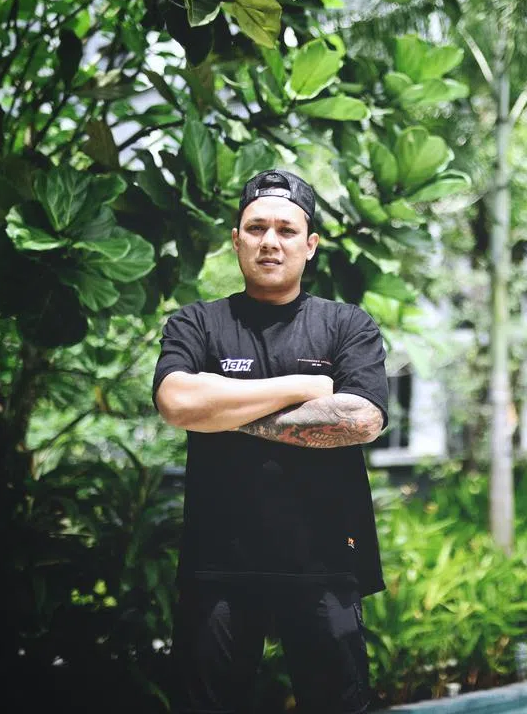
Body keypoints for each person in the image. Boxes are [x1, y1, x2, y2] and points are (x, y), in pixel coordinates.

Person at [152, 169, 389, 714]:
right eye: (257, 228)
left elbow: (360, 420)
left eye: (286, 230)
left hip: (325, 562)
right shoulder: (197, 324)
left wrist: (222, 410)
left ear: (310, 245)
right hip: (219, 566)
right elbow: (176, 403)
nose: (270, 241)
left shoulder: (347, 326)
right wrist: (304, 388)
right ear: (236, 240)